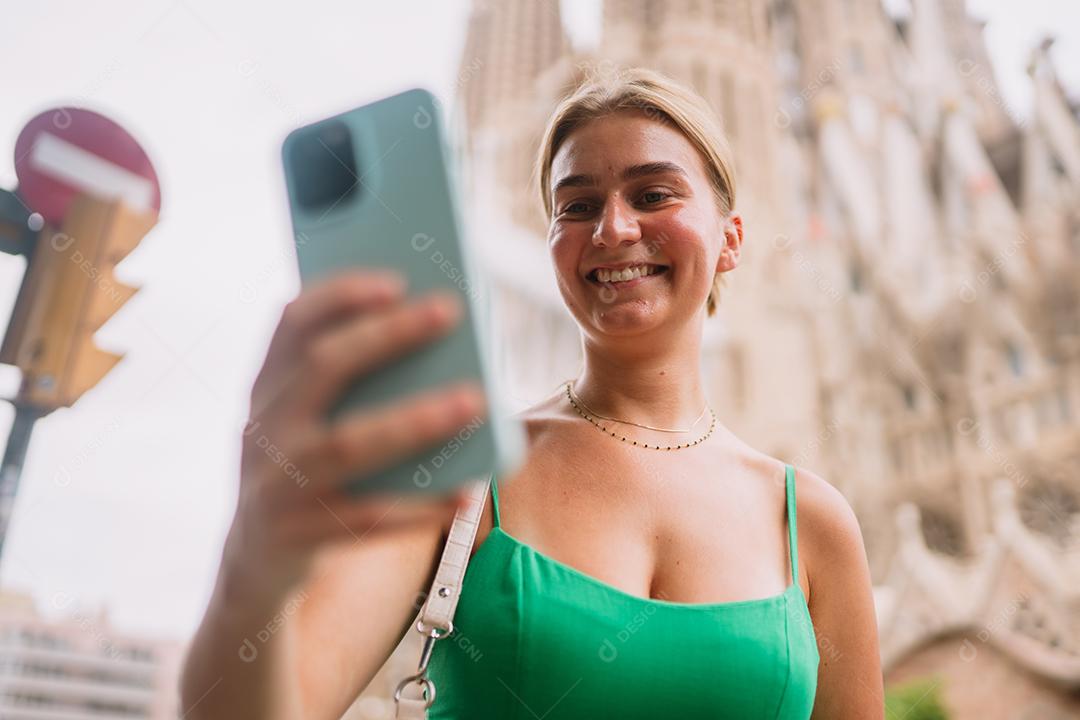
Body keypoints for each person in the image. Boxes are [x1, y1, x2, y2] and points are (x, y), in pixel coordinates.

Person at [180, 67, 884, 720]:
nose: (613, 228)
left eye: (653, 194)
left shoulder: (812, 522)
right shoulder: (461, 474)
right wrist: (253, 565)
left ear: (730, 239)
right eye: (577, 206)